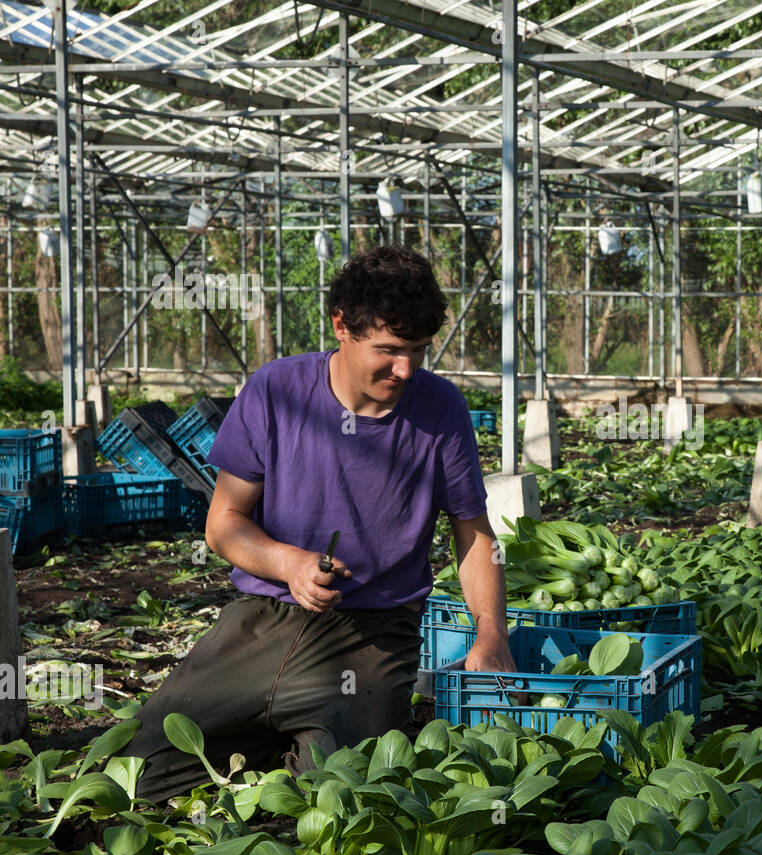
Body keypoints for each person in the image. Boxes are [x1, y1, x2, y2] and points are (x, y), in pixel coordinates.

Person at [126, 244, 515, 804]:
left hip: (374, 634)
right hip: (262, 618)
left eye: (418, 351)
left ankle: (295, 734)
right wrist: (289, 563)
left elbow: (474, 535)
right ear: (341, 325)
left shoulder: (441, 410)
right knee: (142, 773)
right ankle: (273, 729)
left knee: (343, 794)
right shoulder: (277, 391)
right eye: (388, 350)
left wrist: (491, 634)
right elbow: (224, 523)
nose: (404, 369)